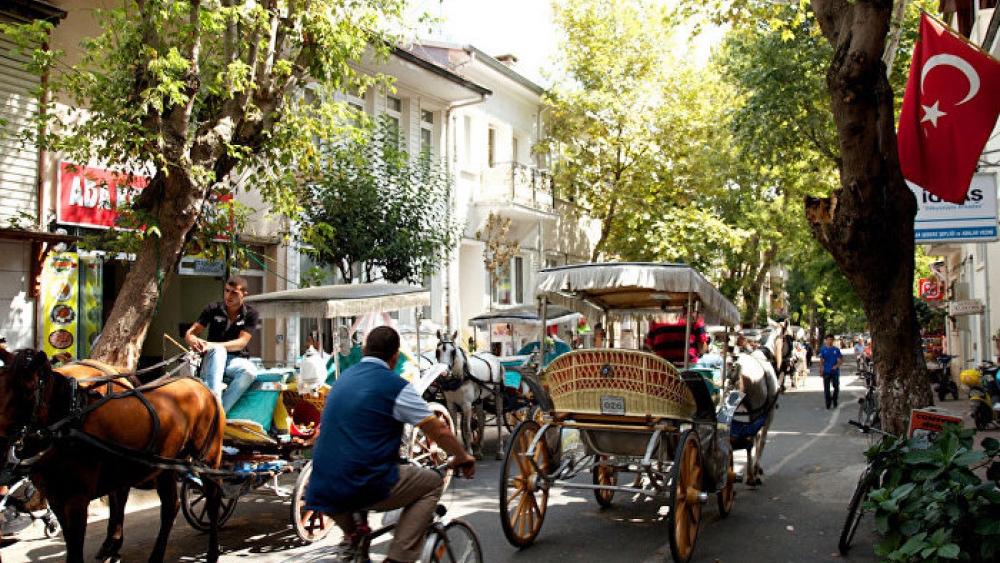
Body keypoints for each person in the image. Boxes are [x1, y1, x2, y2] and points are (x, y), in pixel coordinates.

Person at [304, 326, 475, 563]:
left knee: (356, 538)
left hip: (321, 486)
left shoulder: (342, 381)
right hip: (364, 482)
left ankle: (353, 539)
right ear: (395, 357)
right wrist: (463, 456)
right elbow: (438, 429)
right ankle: (399, 557)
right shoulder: (395, 387)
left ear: (364, 351)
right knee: (433, 483)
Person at [184, 276, 259, 412]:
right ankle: (215, 401)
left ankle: (219, 412)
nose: (228, 296)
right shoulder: (212, 308)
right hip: (212, 358)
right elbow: (192, 332)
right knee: (218, 351)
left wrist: (210, 344)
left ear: (244, 295)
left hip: (234, 360)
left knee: (250, 371)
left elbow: (241, 343)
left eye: (234, 293)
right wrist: (192, 339)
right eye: (226, 291)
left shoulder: (251, 314)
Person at [818, 334, 844, 409]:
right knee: (826, 388)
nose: (829, 341)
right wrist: (820, 370)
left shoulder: (836, 349)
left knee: (836, 386)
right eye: (828, 340)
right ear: (826, 341)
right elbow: (821, 360)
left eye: (831, 340)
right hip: (826, 371)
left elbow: (841, 359)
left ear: (833, 341)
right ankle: (828, 401)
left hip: (835, 371)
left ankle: (835, 399)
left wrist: (836, 366)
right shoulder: (823, 349)